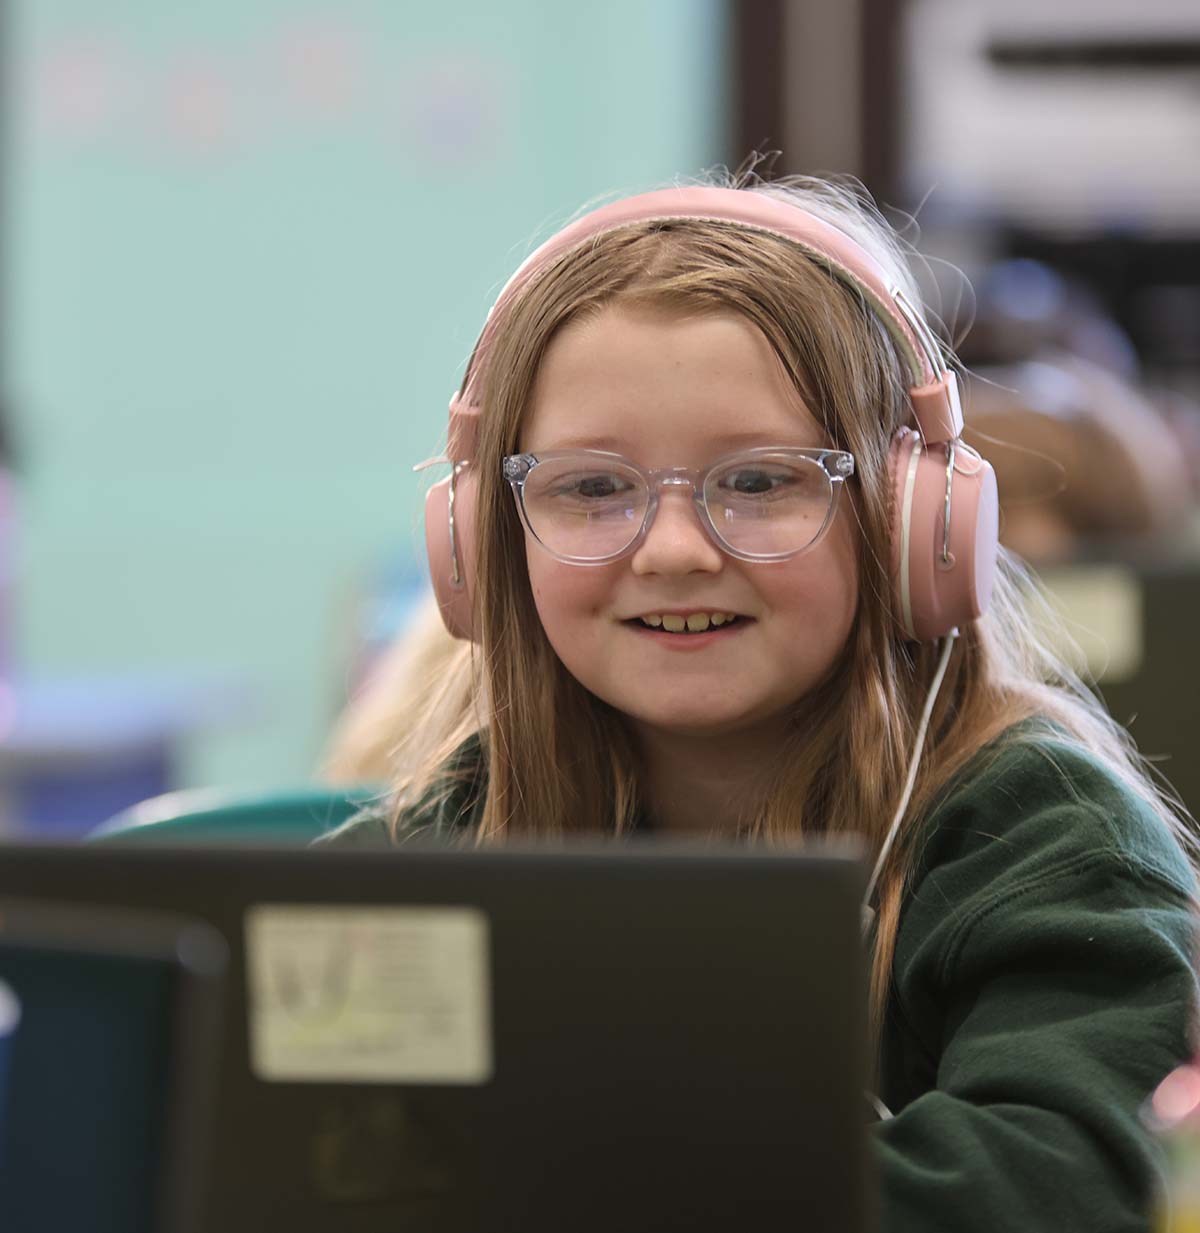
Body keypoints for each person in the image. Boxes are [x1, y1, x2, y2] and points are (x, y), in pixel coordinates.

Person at [320, 173, 1199, 1232]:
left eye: (762, 480)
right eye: (592, 487)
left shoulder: (1050, 845)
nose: (676, 551)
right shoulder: (454, 833)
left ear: (913, 523)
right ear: (484, 542)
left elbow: (1052, 1191)